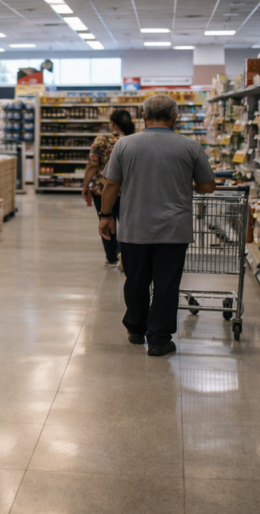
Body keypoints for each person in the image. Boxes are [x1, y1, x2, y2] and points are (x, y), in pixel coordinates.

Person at [99, 94, 216, 357]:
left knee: (136, 281)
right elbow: (208, 186)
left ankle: (136, 329)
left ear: (143, 116)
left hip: (133, 227)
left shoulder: (124, 145)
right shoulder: (191, 146)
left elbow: (111, 184)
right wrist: (189, 185)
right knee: (166, 285)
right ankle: (160, 340)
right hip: (173, 231)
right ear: (175, 117)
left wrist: (105, 216)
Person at [81, 109, 136, 268]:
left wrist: (85, 186)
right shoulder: (133, 140)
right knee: (126, 223)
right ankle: (124, 253)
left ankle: (112, 258)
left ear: (112, 123)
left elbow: (92, 165)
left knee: (106, 221)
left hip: (103, 189)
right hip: (128, 189)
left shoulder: (101, 140)